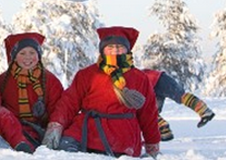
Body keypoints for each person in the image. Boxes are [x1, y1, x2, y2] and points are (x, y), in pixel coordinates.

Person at [42, 26, 160, 158]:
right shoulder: (87, 74)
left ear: (127, 50)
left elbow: (148, 114)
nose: (115, 51)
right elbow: (69, 103)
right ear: (102, 50)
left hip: (122, 136)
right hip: (86, 130)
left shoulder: (140, 78)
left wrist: (152, 143)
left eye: (119, 47)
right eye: (110, 47)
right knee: (64, 151)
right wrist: (56, 126)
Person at [0, 32, 64, 148]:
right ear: (14, 57)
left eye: (32, 53)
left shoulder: (50, 80)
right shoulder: (3, 80)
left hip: (40, 130)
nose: (28, 57)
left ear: (38, 55)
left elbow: (58, 108)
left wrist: (54, 128)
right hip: (12, 129)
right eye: (22, 53)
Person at [142, 68, 215, 141]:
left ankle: (164, 129)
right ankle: (164, 131)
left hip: (158, 80)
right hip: (158, 80)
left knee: (146, 111)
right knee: (151, 111)